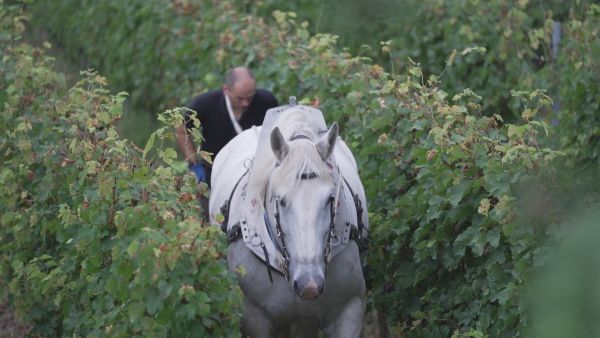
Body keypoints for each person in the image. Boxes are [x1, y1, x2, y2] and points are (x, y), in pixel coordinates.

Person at [175, 67, 278, 186]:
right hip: (214, 173)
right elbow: (182, 130)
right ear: (226, 90)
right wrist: (194, 164)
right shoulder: (205, 104)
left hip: (256, 173)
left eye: (250, 97)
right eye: (240, 98)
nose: (245, 103)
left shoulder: (266, 102)